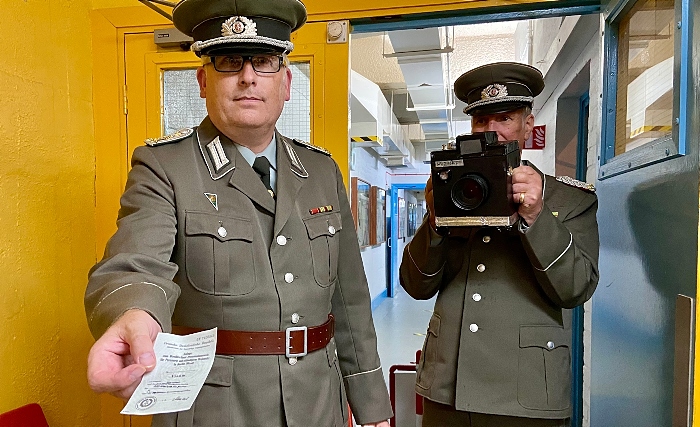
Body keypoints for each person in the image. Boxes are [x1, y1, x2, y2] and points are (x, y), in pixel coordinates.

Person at [84, 0, 393, 426]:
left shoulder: (321, 170)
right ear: (202, 81)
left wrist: (371, 404)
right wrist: (135, 314)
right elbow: (136, 263)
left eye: (264, 61)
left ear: (286, 83)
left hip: (319, 404)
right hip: (215, 409)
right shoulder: (166, 167)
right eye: (229, 62)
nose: (248, 77)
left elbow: (350, 298)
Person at [399, 62, 599, 427]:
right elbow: (416, 285)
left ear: (528, 124)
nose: (492, 132)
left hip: (525, 395)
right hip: (449, 388)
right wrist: (436, 220)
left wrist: (537, 217)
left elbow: (576, 289)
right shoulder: (455, 192)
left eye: (505, 118)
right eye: (481, 121)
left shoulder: (568, 200)